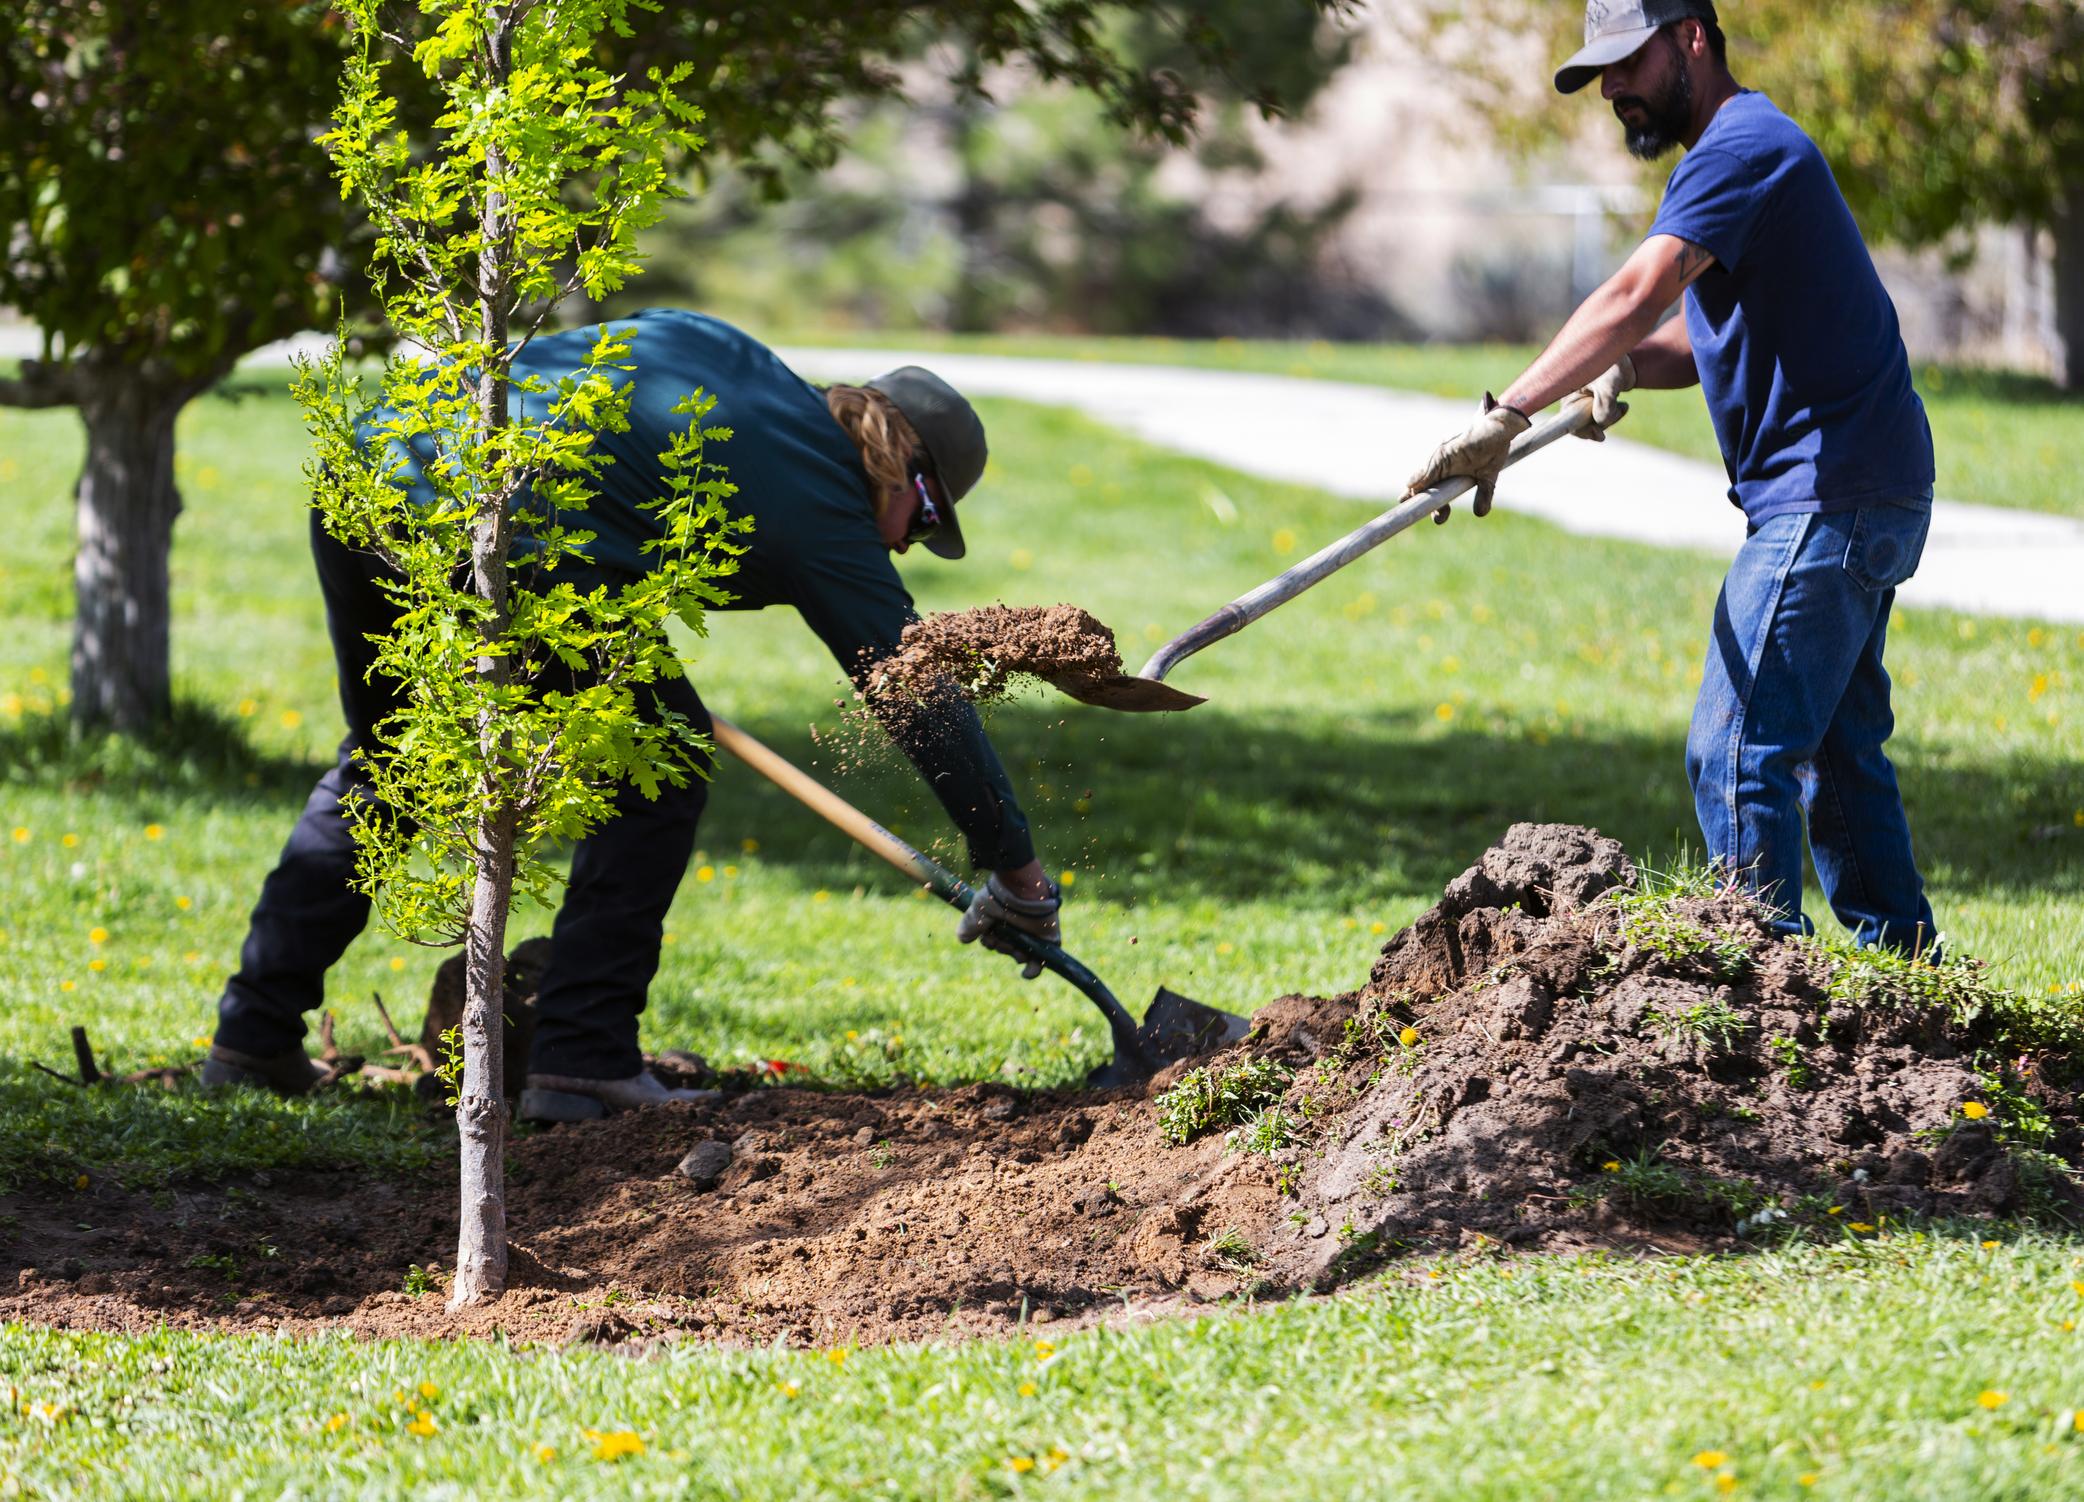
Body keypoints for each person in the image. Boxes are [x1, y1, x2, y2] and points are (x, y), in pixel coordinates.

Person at [205, 308, 1065, 1110]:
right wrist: (1017, 869)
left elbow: (611, 444)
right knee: (664, 765)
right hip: (496, 521)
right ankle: (582, 1059)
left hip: (376, 470)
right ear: (910, 475)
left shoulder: (740, 365)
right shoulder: (823, 499)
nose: (904, 546)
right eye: (922, 525)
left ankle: (252, 1038)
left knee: (390, 759)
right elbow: (916, 694)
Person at [1404, 0, 1938, 953]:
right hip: (1866, 488)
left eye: (1626, 63)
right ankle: (1907, 982)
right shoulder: (1749, 152)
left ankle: (1763, 990)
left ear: (1692, 36)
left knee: (1734, 751)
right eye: (1598, 74)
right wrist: (1621, 366)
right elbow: (1700, 334)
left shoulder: (1738, 149)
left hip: (1830, 497)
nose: (1612, 89)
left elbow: (1634, 290)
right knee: (1839, 758)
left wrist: (1506, 414)